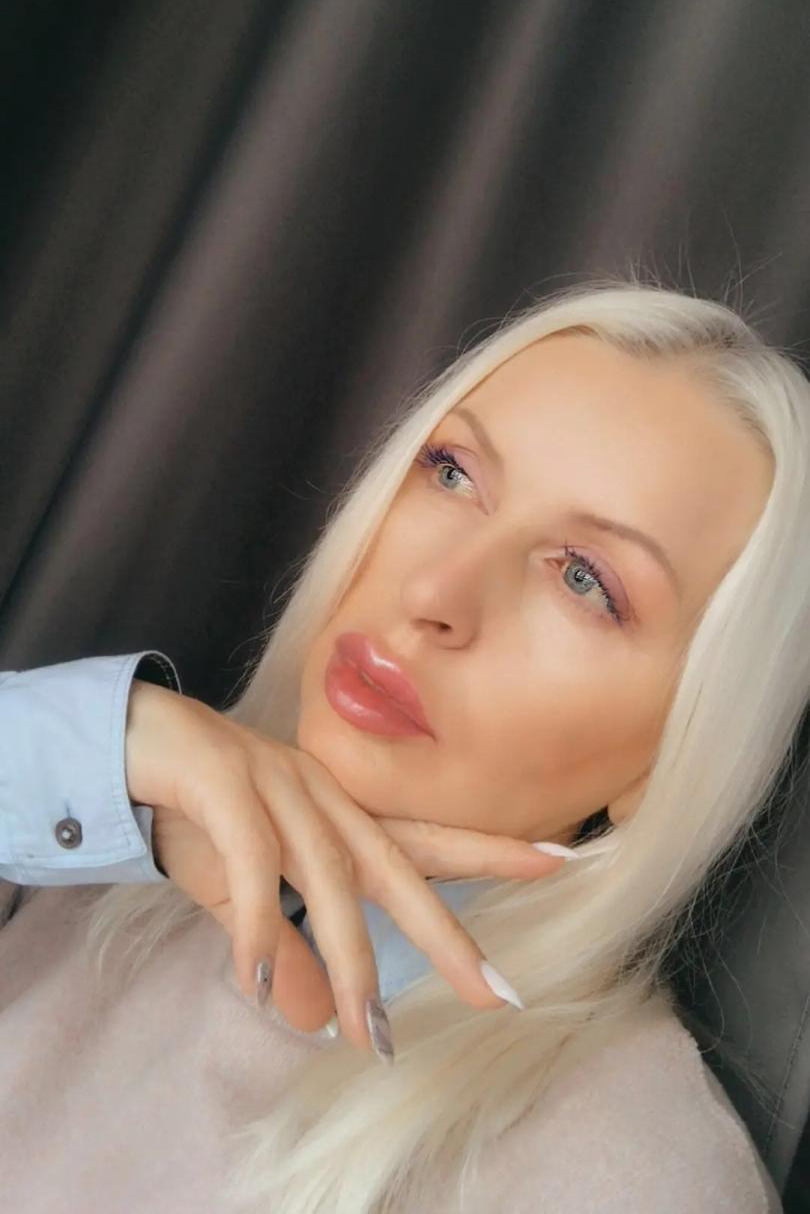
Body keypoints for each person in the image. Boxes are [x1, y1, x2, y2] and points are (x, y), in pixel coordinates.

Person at [2, 272, 805, 1213]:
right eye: (452, 473)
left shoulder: (629, 1178)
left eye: (585, 580)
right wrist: (80, 750)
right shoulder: (84, 841)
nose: (433, 592)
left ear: (678, 756)